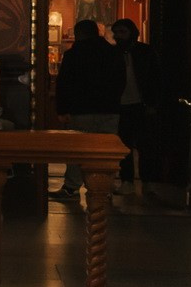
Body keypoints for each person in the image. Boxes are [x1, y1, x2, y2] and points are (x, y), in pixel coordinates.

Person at [53, 19, 125, 203]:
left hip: (81, 109)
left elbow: (64, 83)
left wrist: (62, 108)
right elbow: (121, 81)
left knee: (78, 149)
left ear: (79, 34)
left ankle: (71, 186)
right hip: (109, 109)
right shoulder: (112, 52)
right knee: (105, 151)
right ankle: (103, 187)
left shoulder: (73, 55)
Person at [110, 18, 166, 190]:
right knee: (123, 144)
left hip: (141, 104)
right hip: (120, 105)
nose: (119, 36)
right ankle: (127, 179)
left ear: (131, 33)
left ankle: (147, 179)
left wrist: (153, 103)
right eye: (116, 33)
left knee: (145, 144)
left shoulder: (145, 52)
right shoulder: (112, 53)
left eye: (123, 32)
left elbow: (156, 79)